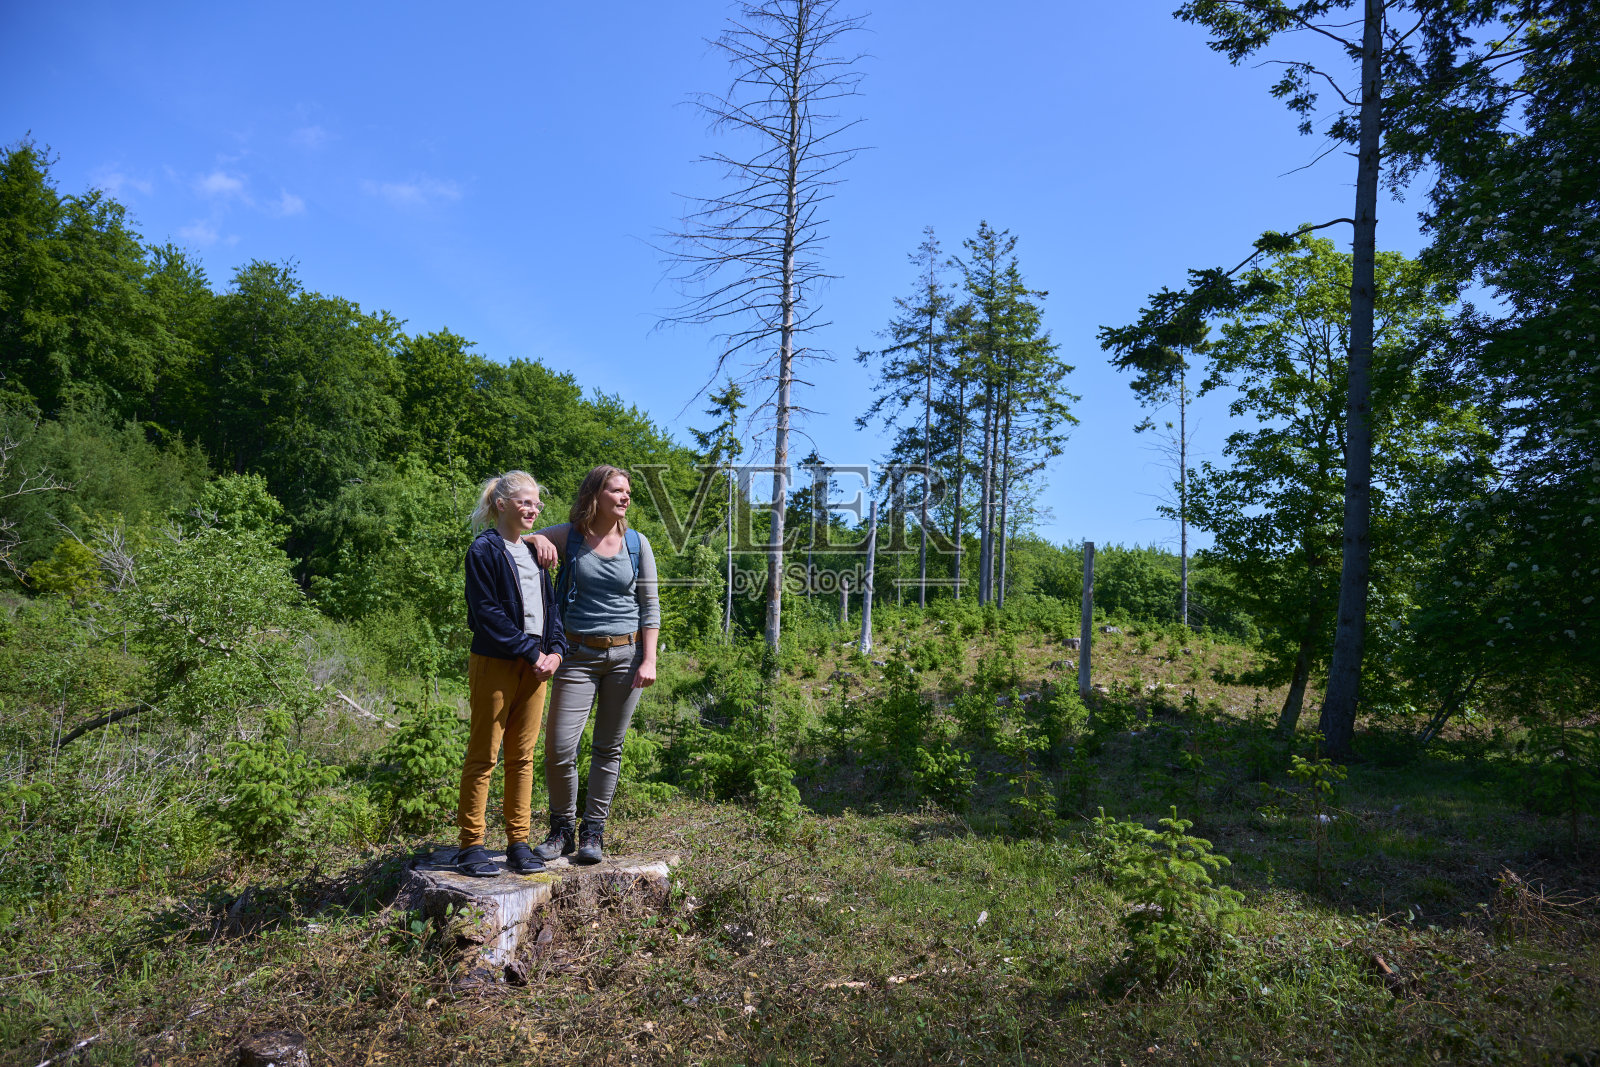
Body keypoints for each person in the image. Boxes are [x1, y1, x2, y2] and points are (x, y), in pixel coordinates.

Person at [525, 465, 659, 866]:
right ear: (594, 495)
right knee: (560, 747)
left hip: (627, 657)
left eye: (627, 491)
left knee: (607, 748)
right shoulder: (569, 536)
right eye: (616, 490)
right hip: (576, 656)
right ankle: (561, 830)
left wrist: (649, 659)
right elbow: (513, 539)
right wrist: (536, 538)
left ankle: (593, 833)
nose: (625, 497)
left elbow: (650, 605)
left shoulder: (637, 543)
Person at [455, 471, 566, 877]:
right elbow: (486, 614)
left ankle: (518, 843)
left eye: (536, 503)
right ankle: (471, 846)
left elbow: (551, 609)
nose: (533, 509)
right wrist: (530, 651)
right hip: (496, 661)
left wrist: (556, 652)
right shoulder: (483, 550)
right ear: (501, 504)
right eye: (525, 502)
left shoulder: (537, 553)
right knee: (484, 755)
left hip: (536, 666)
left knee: (522, 757)